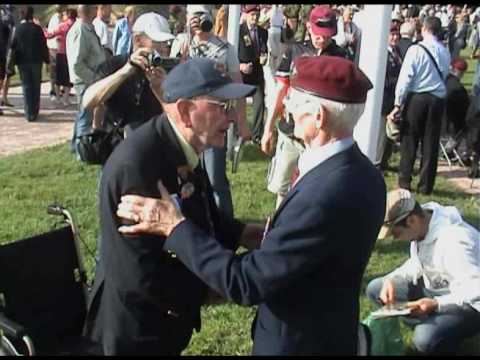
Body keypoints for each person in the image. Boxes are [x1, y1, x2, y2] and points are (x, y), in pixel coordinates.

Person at [115, 55, 387, 355]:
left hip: (297, 342)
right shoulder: (366, 174)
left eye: (294, 102)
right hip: (329, 331)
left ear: (319, 117)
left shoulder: (325, 193)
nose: (286, 108)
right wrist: (250, 234)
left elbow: (246, 282)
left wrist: (174, 227)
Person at [83, 57, 256, 355]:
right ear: (186, 111)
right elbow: (140, 273)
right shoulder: (137, 166)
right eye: (221, 106)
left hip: (165, 323)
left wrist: (248, 233)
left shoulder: (181, 145)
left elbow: (204, 217)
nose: (230, 119)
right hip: (138, 332)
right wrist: (217, 288)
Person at [366, 189, 480, 355]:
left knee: (425, 338)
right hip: (437, 288)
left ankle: (440, 336)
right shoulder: (423, 225)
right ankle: (431, 323)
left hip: (469, 303)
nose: (395, 239)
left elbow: (475, 290)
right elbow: (419, 263)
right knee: (377, 288)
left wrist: (436, 304)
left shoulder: (454, 242)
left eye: (396, 233)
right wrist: (391, 278)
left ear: (411, 220)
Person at [262, 5, 347, 209]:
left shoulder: (340, 56)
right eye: (319, 33)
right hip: (291, 130)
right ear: (309, 27)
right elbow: (281, 91)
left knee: (314, 191)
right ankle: (277, 230)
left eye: (328, 35)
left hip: (321, 135)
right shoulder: (294, 51)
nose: (323, 38)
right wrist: (268, 129)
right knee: (282, 189)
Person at [170, 4, 251, 220]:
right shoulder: (182, 44)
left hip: (215, 120)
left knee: (215, 179)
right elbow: (172, 81)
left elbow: (238, 84)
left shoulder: (225, 48)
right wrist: (184, 48)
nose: (198, 23)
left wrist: (242, 123)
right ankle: (197, 223)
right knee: (189, 180)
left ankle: (226, 227)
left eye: (201, 17)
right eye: (193, 18)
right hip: (188, 122)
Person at [388, 16, 451, 195]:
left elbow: (405, 78)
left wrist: (398, 104)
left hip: (418, 98)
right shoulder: (445, 52)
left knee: (410, 140)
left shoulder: (416, 50)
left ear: (424, 29)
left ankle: (404, 180)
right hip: (437, 99)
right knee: (430, 143)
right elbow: (445, 73)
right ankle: (426, 185)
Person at [66, 4, 107, 158]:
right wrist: (94, 80)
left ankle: (75, 146)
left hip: (90, 81)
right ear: (89, 11)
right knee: (86, 117)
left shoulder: (87, 28)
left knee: (82, 115)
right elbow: (77, 63)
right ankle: (82, 152)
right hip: (86, 82)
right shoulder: (81, 30)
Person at [9, 6, 49, 122]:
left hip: (23, 61)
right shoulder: (38, 29)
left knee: (26, 86)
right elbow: (43, 45)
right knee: (36, 86)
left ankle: (28, 113)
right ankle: (35, 111)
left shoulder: (18, 29)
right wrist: (47, 60)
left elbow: (13, 46)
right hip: (36, 60)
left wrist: (12, 61)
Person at [238, 5, 268, 144]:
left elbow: (264, 49)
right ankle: (238, 133)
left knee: (259, 104)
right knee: (238, 104)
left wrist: (264, 56)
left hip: (256, 74)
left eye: (257, 15)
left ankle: (256, 135)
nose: (255, 18)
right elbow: (232, 53)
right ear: (246, 15)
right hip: (241, 75)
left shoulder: (263, 32)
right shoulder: (238, 31)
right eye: (252, 15)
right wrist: (240, 66)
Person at [376, 23, 403, 172]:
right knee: (380, 134)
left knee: (389, 135)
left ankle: (385, 161)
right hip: (384, 98)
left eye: (396, 35)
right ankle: (378, 162)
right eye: (392, 35)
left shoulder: (397, 52)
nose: (394, 38)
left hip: (394, 98)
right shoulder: (383, 54)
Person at [43, 8, 77, 107]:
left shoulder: (63, 26)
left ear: (68, 15)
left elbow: (49, 35)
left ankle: (58, 98)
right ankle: (66, 98)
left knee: (59, 76)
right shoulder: (77, 25)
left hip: (61, 53)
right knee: (69, 77)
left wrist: (43, 29)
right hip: (72, 54)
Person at [46, 5, 65, 102]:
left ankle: (61, 89)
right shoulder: (56, 19)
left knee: (59, 70)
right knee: (54, 71)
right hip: (54, 48)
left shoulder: (60, 18)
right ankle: (52, 91)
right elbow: (55, 34)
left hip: (58, 48)